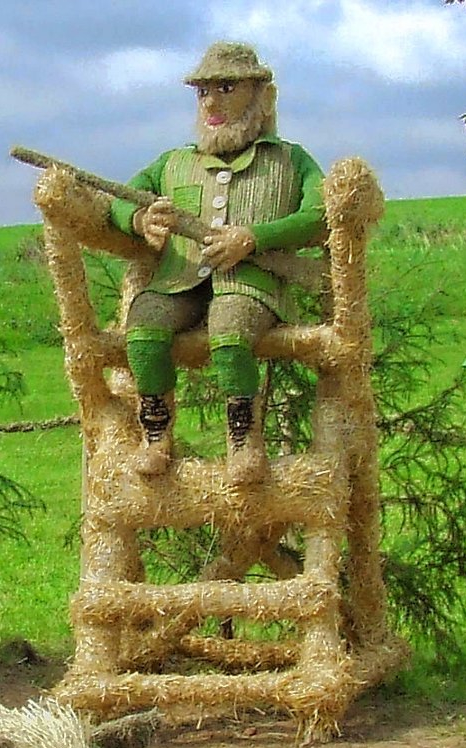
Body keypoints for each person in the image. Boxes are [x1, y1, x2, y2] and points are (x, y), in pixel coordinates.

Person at [109, 41, 326, 484]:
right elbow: (118, 199)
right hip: (179, 281)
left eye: (226, 88)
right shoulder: (175, 162)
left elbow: (320, 213)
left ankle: (243, 440)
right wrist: (139, 219)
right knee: (144, 325)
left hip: (251, 283)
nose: (211, 102)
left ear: (261, 95)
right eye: (203, 91)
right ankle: (156, 433)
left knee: (229, 329)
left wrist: (255, 238)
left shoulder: (290, 160)